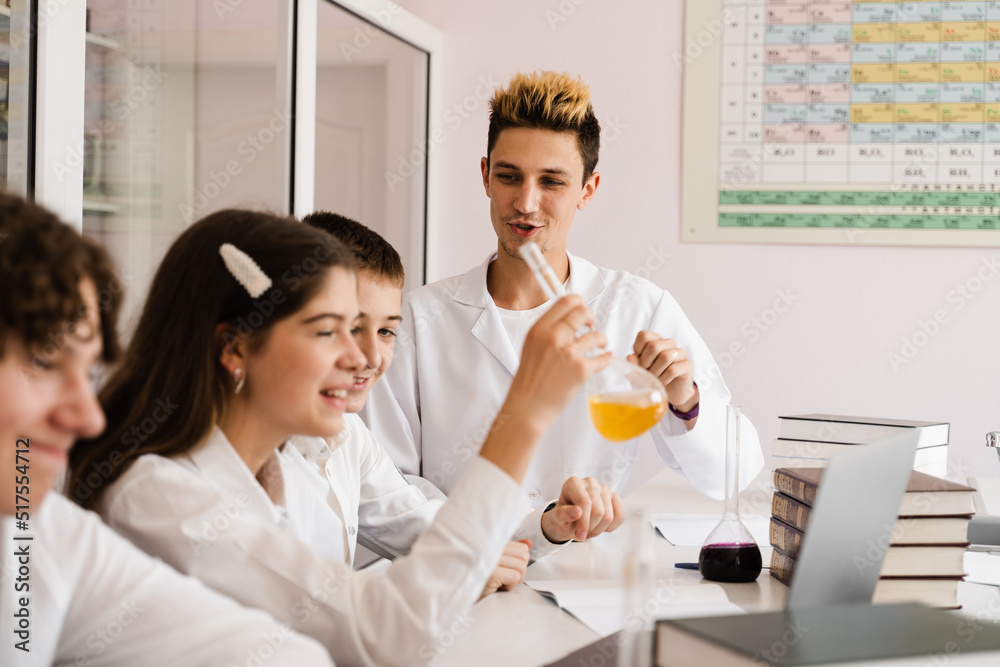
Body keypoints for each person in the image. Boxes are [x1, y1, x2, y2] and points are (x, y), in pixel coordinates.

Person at [67, 209, 612, 667]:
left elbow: (391, 575)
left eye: (378, 330)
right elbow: (381, 628)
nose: (363, 360)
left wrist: (526, 532)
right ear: (235, 348)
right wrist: (524, 413)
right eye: (330, 331)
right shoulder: (159, 495)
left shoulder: (279, 461)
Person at [363, 71, 764, 504]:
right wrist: (476, 544)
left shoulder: (638, 309)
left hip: (583, 565)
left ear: (587, 190)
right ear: (485, 177)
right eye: (509, 177)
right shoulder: (418, 321)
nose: (526, 203)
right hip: (463, 565)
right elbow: (384, 482)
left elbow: (732, 475)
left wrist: (685, 400)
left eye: (552, 181)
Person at [0, 193, 332, 666]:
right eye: (43, 362)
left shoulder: (42, 532)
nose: (86, 417)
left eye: (87, 371)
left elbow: (283, 657)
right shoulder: (147, 492)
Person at [302, 211, 624, 568]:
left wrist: (548, 524)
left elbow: (435, 532)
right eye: (348, 328)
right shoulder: (257, 468)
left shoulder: (348, 437)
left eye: (386, 332)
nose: (373, 357)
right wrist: (529, 408)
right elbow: (339, 607)